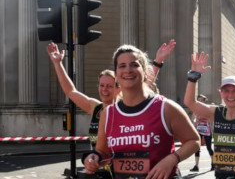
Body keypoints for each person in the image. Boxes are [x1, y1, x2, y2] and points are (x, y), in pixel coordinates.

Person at [83, 45, 199, 179]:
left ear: (144, 71)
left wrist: (172, 159)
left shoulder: (165, 107)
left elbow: (194, 140)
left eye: (134, 65)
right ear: (116, 74)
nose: (128, 70)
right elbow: (102, 152)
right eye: (122, 66)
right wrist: (93, 158)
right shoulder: (109, 113)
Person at [47, 40, 175, 148]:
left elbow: (144, 83)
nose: (104, 90)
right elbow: (70, 91)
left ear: (119, 88)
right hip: (99, 166)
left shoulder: (126, 108)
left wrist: (158, 61)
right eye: (102, 86)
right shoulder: (95, 107)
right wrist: (57, 63)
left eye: (109, 86)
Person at [190, 94, 215, 172]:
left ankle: (213, 163)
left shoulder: (207, 109)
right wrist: (196, 120)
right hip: (199, 129)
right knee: (197, 148)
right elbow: (193, 119)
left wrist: (205, 120)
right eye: (199, 100)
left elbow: (211, 120)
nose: (200, 101)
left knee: (209, 147)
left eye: (202, 100)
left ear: (204, 101)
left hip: (207, 130)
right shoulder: (196, 109)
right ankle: (196, 166)